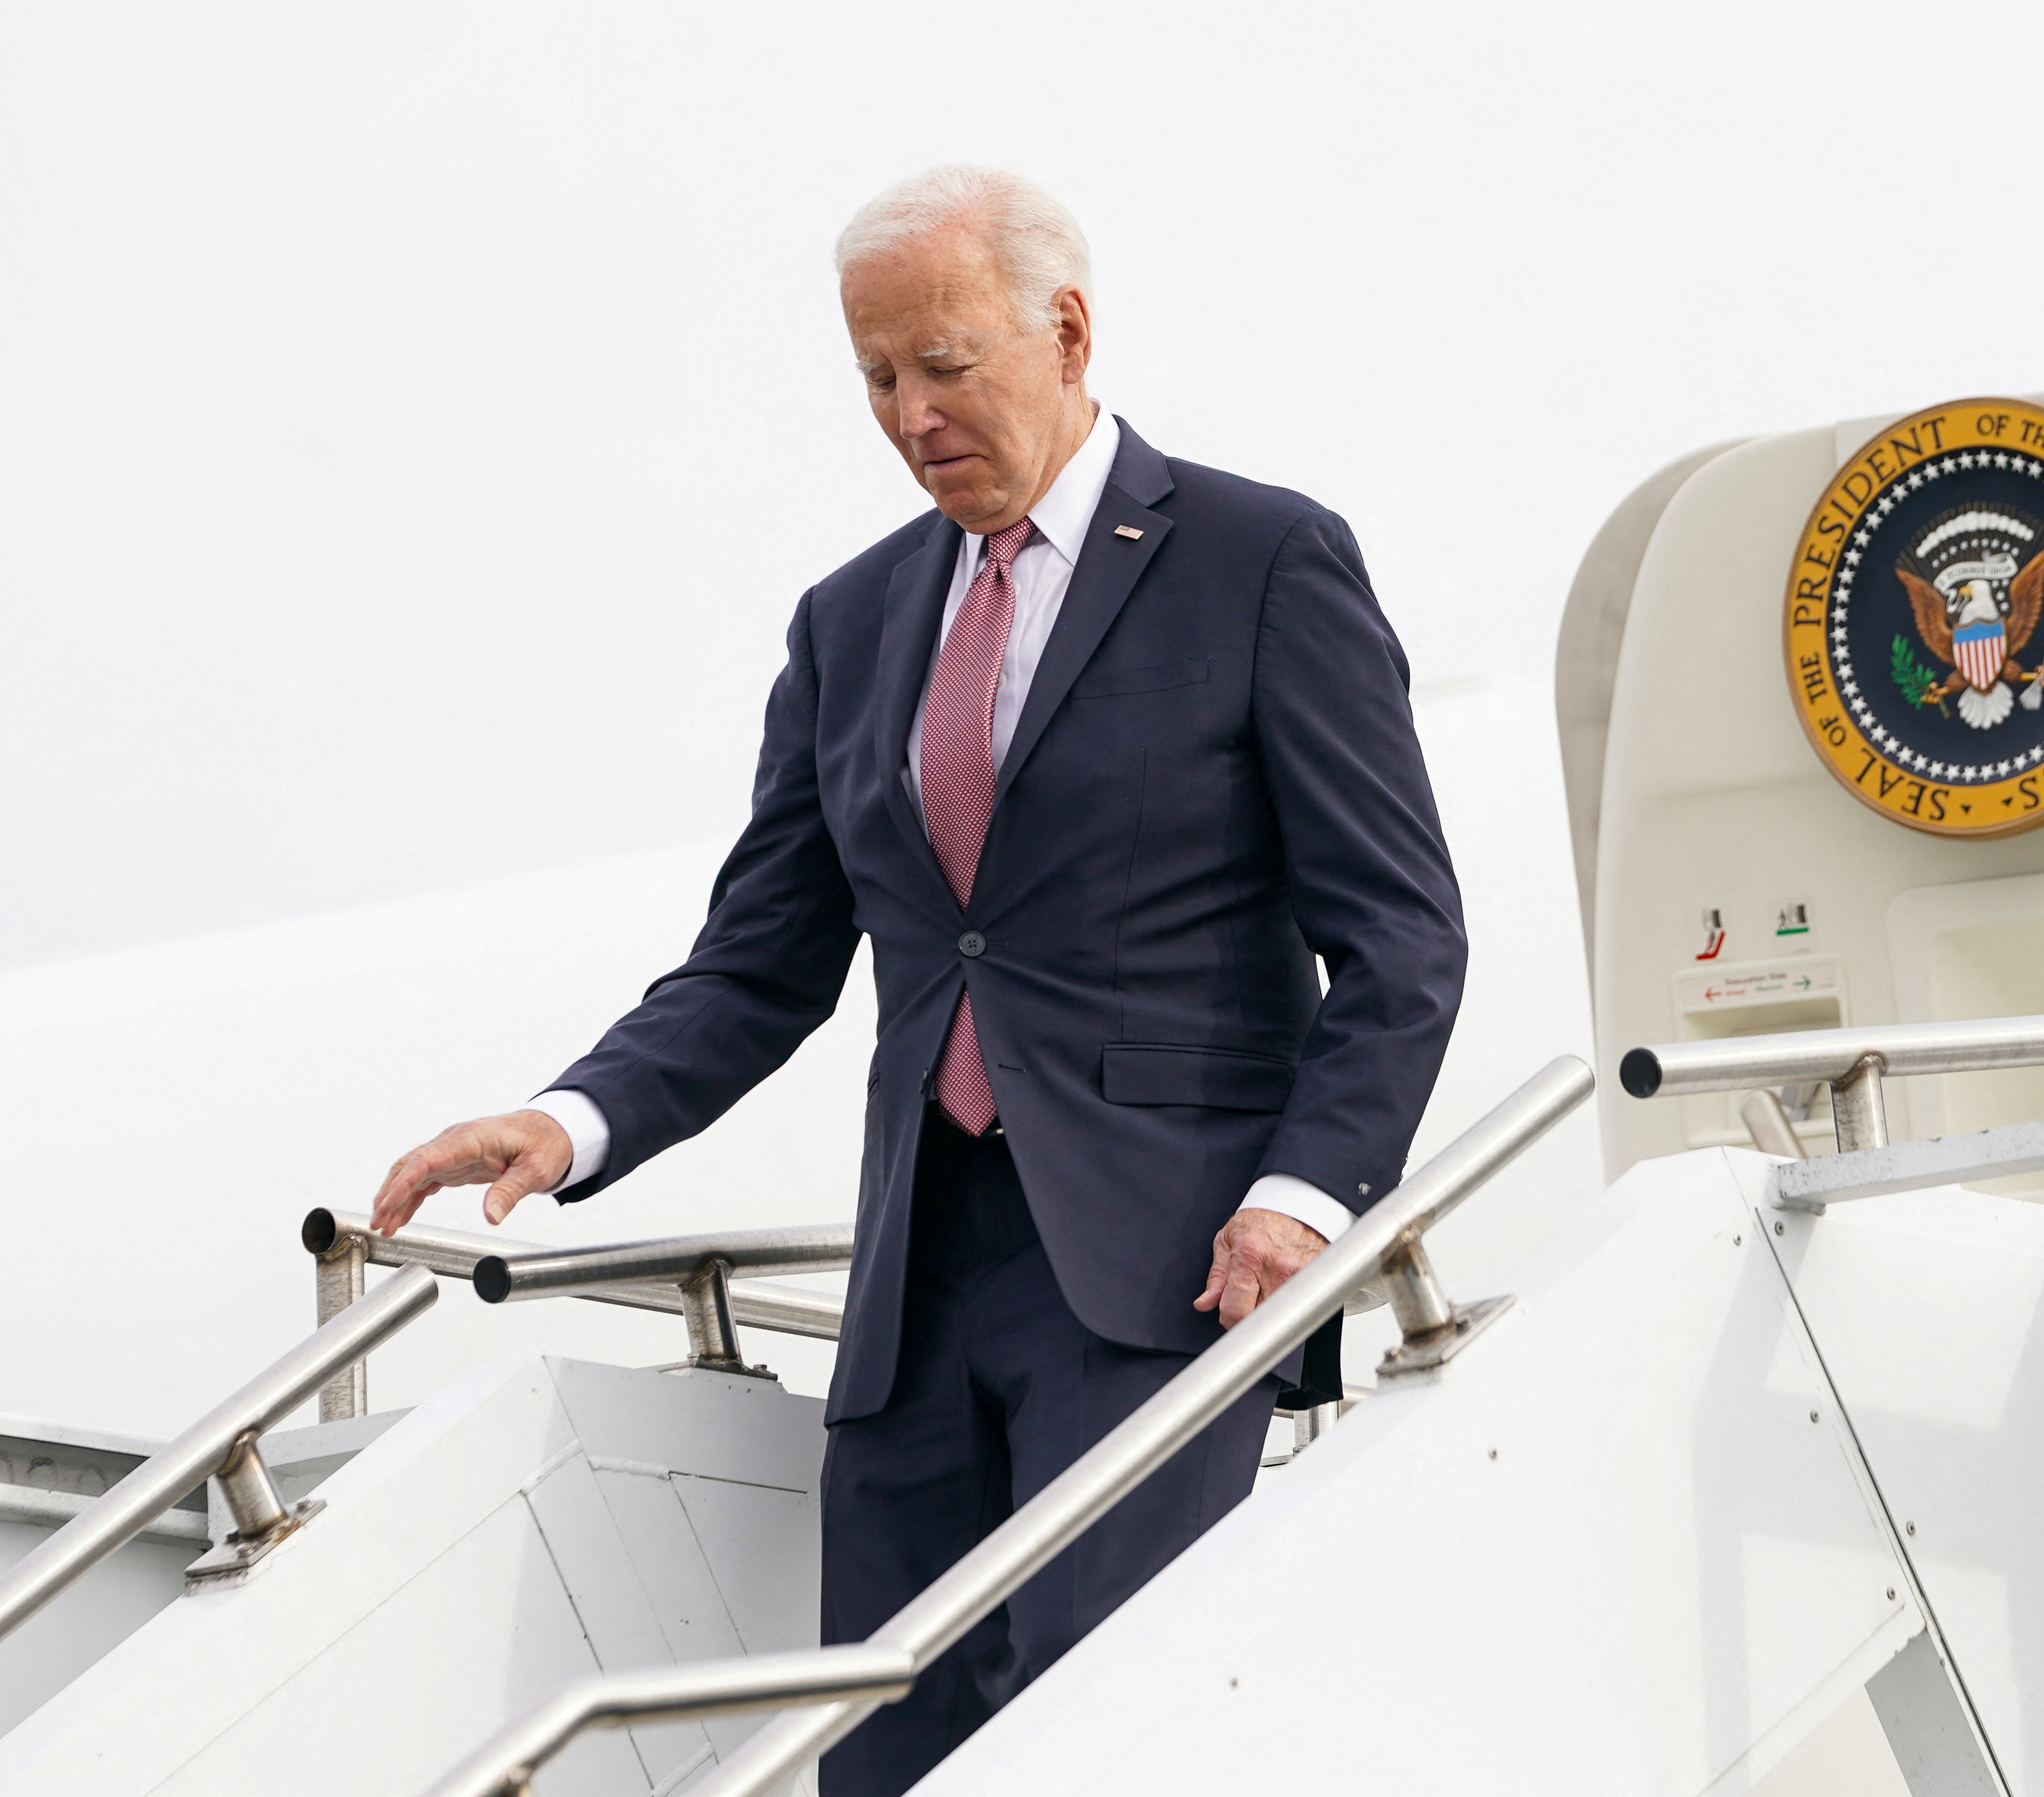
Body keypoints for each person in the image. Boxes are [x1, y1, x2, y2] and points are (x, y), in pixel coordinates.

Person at [367, 164, 1466, 1788]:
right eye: (876, 377)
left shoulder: (1262, 560)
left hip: (1162, 1265)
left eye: (943, 365)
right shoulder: (852, 621)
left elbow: (1401, 932)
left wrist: (1304, 1194)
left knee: (1097, 1734)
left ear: (1068, 330)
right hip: (919, 1283)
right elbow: (762, 961)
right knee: (884, 1755)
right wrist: (572, 1117)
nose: (907, 413)